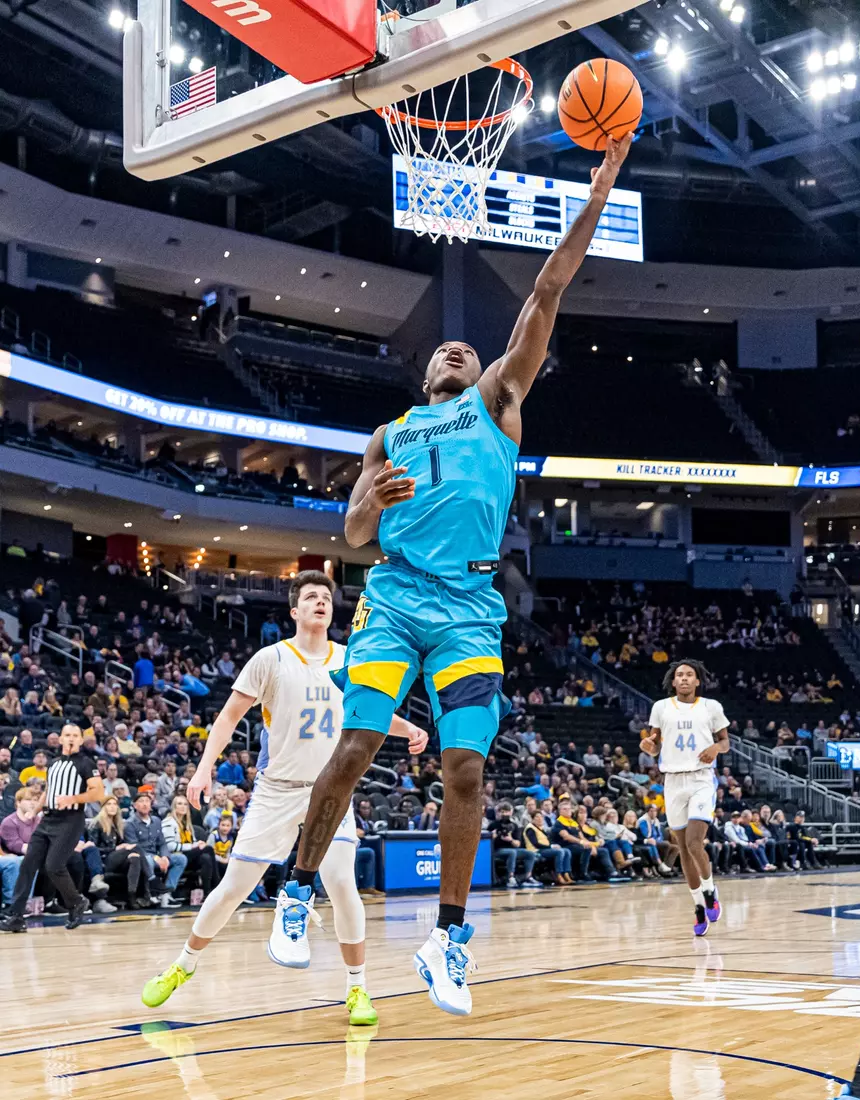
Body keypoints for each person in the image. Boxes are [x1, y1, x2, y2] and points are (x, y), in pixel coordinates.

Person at [281, 135, 634, 1017]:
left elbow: (548, 288)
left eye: (466, 351)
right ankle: (294, 892)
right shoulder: (392, 432)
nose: (453, 350)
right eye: (442, 350)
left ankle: (447, 941)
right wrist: (368, 501)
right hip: (396, 595)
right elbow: (353, 535)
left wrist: (598, 191)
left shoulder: (497, 404)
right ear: (423, 371)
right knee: (357, 747)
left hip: (471, 606)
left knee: (468, 769)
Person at [141, 571, 428, 1029]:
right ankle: (183, 964)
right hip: (278, 789)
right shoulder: (270, 658)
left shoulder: (352, 658)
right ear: (294, 610)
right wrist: (204, 767)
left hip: (331, 791)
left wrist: (407, 727)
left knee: (342, 885)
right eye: (311, 596)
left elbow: (370, 712)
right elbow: (228, 717)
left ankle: (357, 987)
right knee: (234, 888)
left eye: (326, 597)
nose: (320, 602)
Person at [640, 659, 729, 935]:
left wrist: (715, 748)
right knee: (683, 849)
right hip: (673, 781)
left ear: (697, 680)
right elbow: (655, 746)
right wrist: (648, 746)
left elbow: (725, 741)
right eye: (680, 675)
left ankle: (710, 890)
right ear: (673, 681)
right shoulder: (661, 707)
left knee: (694, 842)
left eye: (690, 674)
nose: (684, 678)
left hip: (701, 778)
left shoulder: (711, 707)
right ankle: (699, 906)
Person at [0, 724, 104, 932]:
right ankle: (16, 916)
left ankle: (76, 901)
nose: (71, 738)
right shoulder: (54, 763)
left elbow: (98, 792)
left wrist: (72, 799)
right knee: (28, 865)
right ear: (61, 739)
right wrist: (35, 811)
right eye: (67, 735)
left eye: (75, 735)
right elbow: (49, 791)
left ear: (81, 740)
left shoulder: (85, 763)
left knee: (54, 866)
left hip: (70, 820)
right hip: (48, 819)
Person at [124, 791, 187, 907]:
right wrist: (156, 858)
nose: (145, 804)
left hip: (157, 856)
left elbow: (162, 843)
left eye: (147, 801)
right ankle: (150, 895)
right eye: (141, 801)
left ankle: (166, 893)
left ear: (151, 804)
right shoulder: (129, 824)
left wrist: (165, 857)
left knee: (181, 859)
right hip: (142, 857)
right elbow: (135, 847)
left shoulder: (156, 821)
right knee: (148, 861)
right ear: (135, 805)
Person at [88, 795, 151, 909]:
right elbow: (92, 849)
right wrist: (115, 849)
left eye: (115, 804)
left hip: (117, 859)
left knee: (134, 857)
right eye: (109, 804)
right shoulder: (96, 824)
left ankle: (132, 896)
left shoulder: (118, 824)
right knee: (135, 848)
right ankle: (151, 881)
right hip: (104, 859)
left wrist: (123, 848)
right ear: (103, 807)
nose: (112, 807)